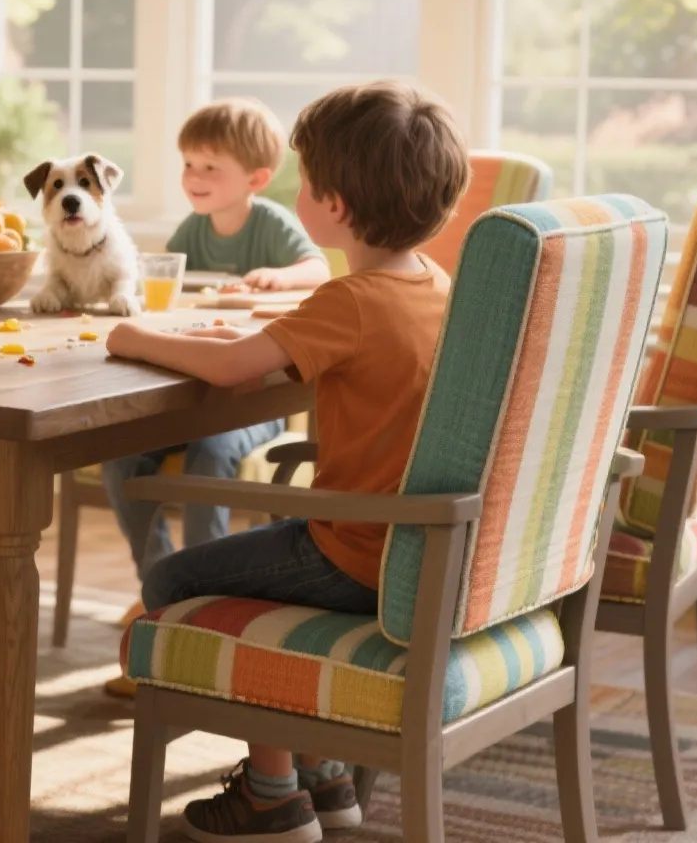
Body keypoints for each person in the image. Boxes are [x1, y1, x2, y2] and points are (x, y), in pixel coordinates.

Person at [106, 81, 470, 842]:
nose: (299, 191)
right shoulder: (433, 286)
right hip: (415, 554)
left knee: (174, 579)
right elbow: (255, 356)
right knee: (239, 566)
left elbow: (237, 370)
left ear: (332, 205)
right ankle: (323, 773)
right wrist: (213, 347)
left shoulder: (352, 299)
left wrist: (134, 338)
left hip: (351, 552)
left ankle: (272, 793)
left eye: (305, 179)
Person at [100, 98, 331, 699]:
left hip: (255, 403)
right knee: (122, 457)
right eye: (189, 165)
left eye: (210, 168)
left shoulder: (270, 223)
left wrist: (281, 277)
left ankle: (203, 601)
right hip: (196, 389)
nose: (194, 179)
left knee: (211, 452)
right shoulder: (191, 232)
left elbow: (317, 268)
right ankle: (159, 585)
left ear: (254, 179)